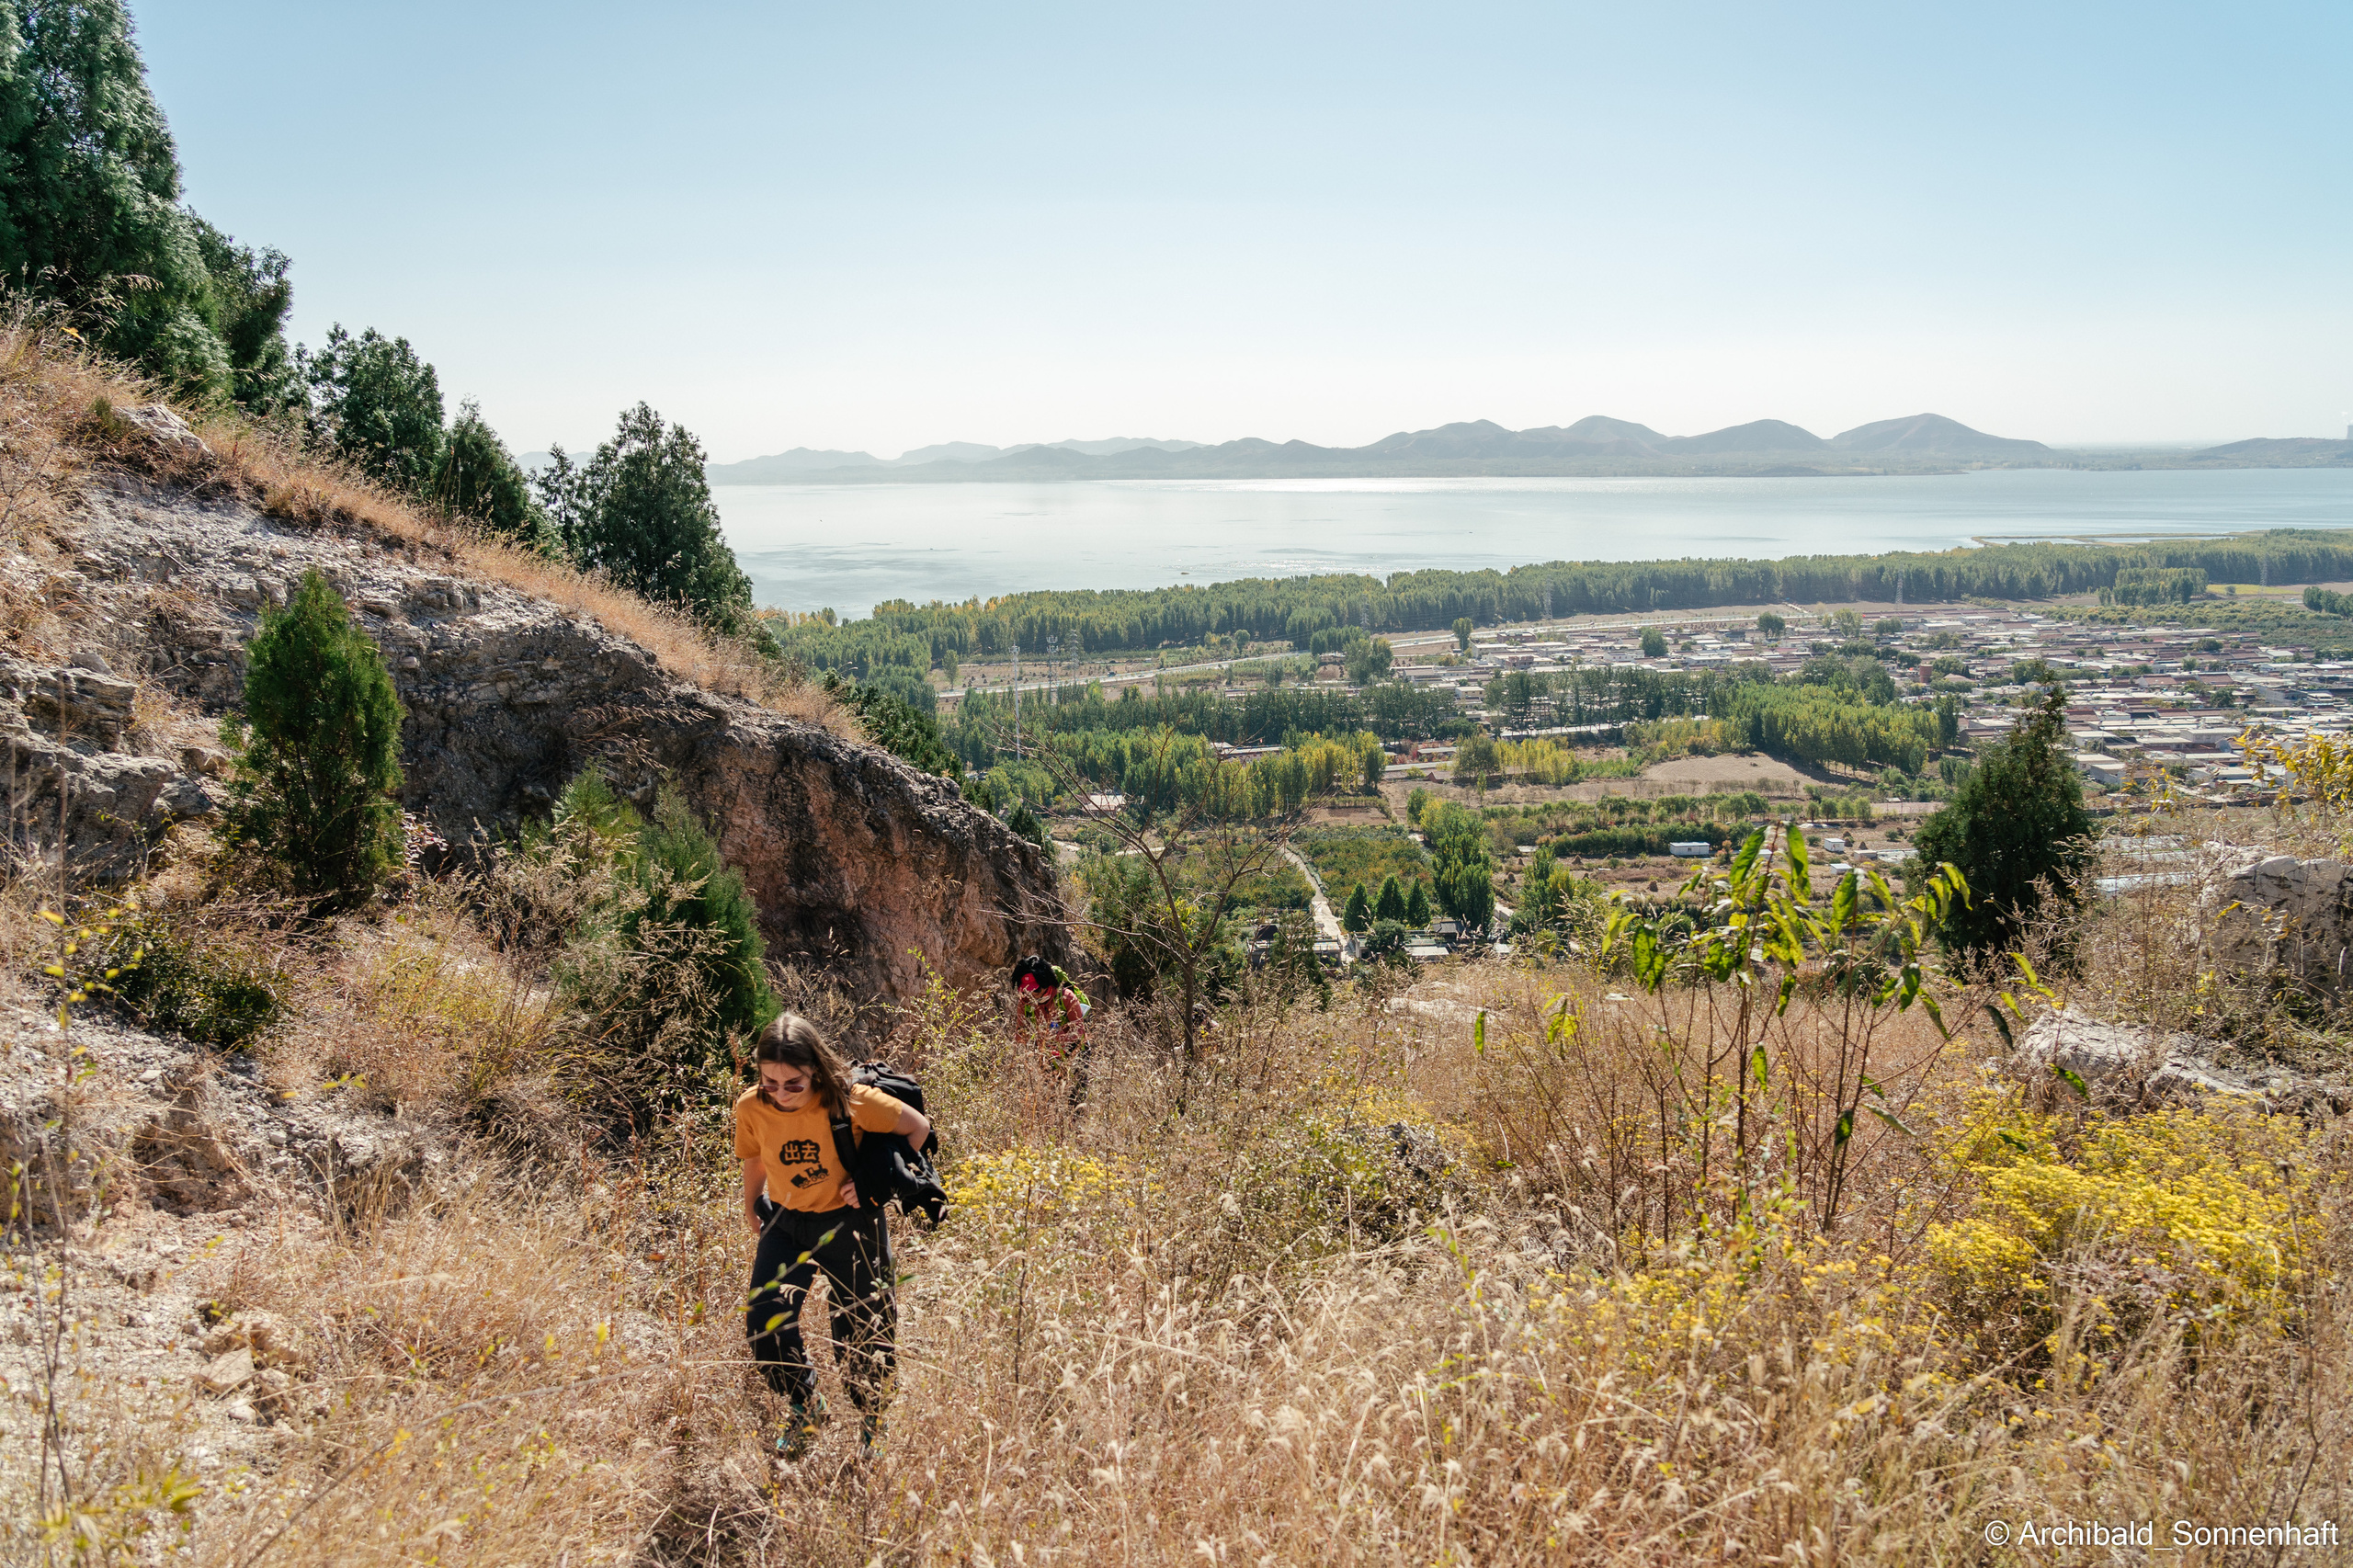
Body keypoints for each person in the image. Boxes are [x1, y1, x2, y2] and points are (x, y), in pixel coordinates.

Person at [736, 1013, 931, 1460]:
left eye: (793, 1084)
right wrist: (751, 1204)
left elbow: (917, 1128)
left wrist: (872, 1182)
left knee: (863, 1330)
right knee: (764, 1324)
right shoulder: (751, 1106)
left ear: (816, 1072)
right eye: (770, 1082)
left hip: (851, 1223)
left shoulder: (850, 1101)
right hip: (786, 1223)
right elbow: (754, 1158)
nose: (780, 1094)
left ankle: (872, 1421)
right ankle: (807, 1405)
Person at [1010, 954, 1088, 1067]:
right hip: (1046, 1055)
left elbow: (1080, 1031)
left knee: (1078, 1083)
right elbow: (1020, 1033)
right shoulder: (1024, 1003)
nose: (1031, 994)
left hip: (1076, 1051)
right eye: (1026, 990)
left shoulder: (1066, 997)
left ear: (1046, 983)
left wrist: (1057, 1040)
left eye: (1035, 989)